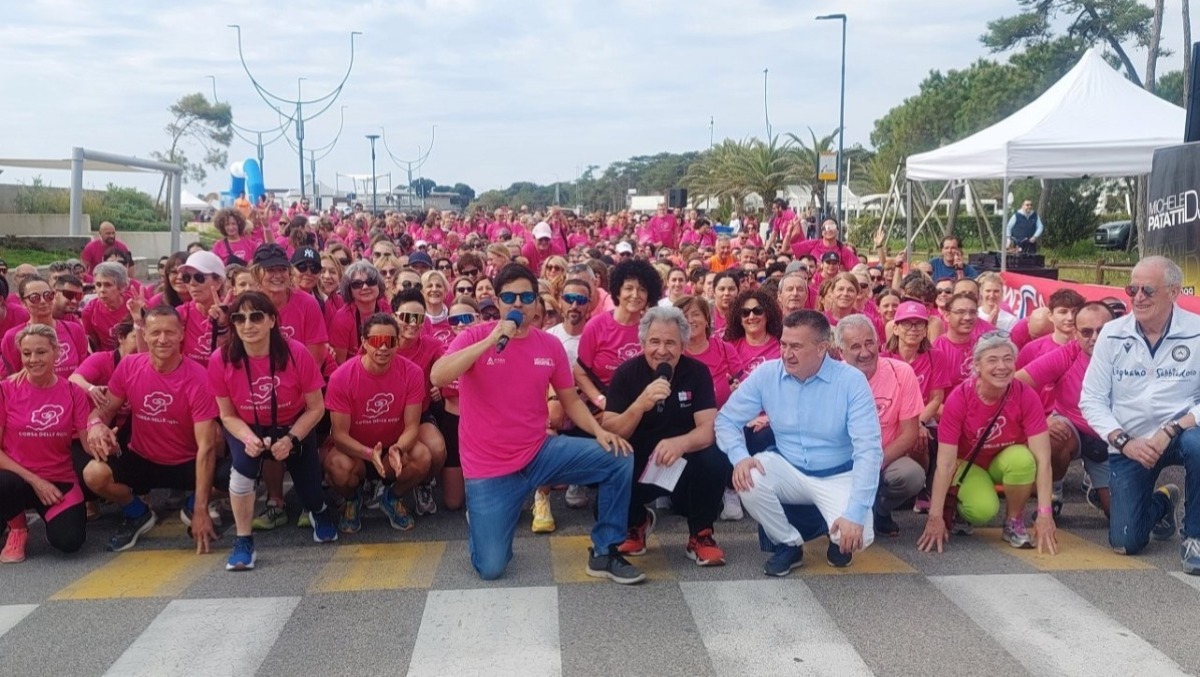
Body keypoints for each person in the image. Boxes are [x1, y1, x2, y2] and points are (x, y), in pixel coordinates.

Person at [431, 263, 644, 584]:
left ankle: (606, 550)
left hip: (539, 452)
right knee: (491, 568)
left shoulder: (549, 345)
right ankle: (482, 521)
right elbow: (438, 375)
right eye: (510, 297)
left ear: (536, 303)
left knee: (619, 457)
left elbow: (570, 400)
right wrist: (489, 341)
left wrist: (599, 432)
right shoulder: (477, 336)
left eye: (526, 296)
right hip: (490, 468)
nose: (518, 303)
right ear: (499, 301)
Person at [716, 310, 883, 575]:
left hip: (838, 473)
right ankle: (788, 543)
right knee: (749, 478)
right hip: (789, 468)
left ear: (821, 348)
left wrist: (855, 511)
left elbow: (869, 450)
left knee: (856, 539)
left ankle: (834, 533)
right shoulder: (767, 374)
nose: (786, 353)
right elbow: (726, 420)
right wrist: (739, 456)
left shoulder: (851, 381)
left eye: (796, 346)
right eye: (783, 344)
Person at [1080, 256, 1200, 574]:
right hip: (1130, 442)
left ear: (1174, 292)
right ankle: (1163, 503)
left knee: (1199, 443)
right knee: (1126, 542)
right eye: (1132, 288)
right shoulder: (1112, 333)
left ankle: (1196, 535)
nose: (1138, 297)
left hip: (1182, 434)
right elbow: (1091, 399)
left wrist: (1173, 428)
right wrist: (1124, 441)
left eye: (1148, 289)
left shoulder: (1197, 330)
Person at [83, 305, 227, 554]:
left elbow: (206, 447)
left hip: (186, 461)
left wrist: (202, 509)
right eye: (156, 332)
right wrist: (95, 425)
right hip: (142, 458)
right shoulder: (129, 366)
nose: (162, 339)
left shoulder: (198, 376)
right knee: (93, 474)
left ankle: (192, 504)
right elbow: (105, 411)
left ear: (182, 334)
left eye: (170, 332)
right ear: (145, 334)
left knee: (236, 474)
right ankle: (137, 513)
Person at [208, 292, 336, 570]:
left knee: (312, 493)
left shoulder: (296, 352)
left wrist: (291, 439)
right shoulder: (221, 358)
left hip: (293, 423)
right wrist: (247, 438)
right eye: (238, 318)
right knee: (240, 472)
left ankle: (319, 511)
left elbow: (316, 408)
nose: (247, 324)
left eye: (255, 317)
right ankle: (243, 541)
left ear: (272, 321)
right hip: (246, 425)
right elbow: (226, 414)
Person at [602, 306, 728, 566]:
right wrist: (639, 405)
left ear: (683, 345)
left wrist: (681, 443)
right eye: (655, 342)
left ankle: (701, 535)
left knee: (715, 456)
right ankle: (636, 522)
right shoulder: (626, 374)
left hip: (681, 460)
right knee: (613, 459)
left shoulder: (697, 372)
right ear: (642, 343)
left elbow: (708, 428)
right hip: (638, 459)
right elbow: (611, 431)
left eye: (670, 342)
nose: (662, 350)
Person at [917, 332, 1058, 554]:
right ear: (977, 365)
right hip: (967, 463)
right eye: (992, 360)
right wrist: (934, 517)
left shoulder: (1026, 395)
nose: (1001, 366)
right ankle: (961, 510)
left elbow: (1044, 460)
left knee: (1024, 460)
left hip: (1003, 460)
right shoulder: (959, 398)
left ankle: (1014, 521)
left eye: (1008, 359)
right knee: (983, 510)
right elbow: (944, 464)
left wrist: (1045, 514)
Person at [325, 314, 434, 533]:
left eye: (390, 341)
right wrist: (367, 453)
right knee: (336, 466)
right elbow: (339, 435)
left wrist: (398, 448)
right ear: (364, 342)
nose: (383, 347)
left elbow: (412, 426)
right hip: (356, 451)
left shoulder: (412, 372)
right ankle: (352, 500)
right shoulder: (341, 377)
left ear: (397, 342)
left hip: (391, 448)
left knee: (422, 456)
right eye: (376, 341)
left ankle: (392, 498)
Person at [0, 325, 92, 563]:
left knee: (70, 542)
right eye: (26, 353)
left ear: (56, 352)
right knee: (4, 482)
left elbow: (86, 442)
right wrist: (35, 481)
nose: (33, 359)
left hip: (58, 479)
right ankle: (18, 528)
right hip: (15, 479)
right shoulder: (5, 390)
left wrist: (103, 435)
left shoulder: (73, 392)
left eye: (41, 352)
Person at [1017, 301, 1115, 517]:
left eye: (1103, 330)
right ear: (1075, 333)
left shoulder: (1132, 355)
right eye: (1087, 332)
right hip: (1074, 428)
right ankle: (1053, 493)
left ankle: (1161, 497)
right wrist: (1040, 421)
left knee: (1124, 526)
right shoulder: (1067, 354)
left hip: (1113, 438)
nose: (1095, 338)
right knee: (1052, 437)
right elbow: (1016, 384)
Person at [835, 315, 925, 537]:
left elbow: (909, 433)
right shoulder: (831, 378)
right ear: (841, 352)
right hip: (843, 461)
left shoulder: (901, 372)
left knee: (912, 474)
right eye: (855, 346)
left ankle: (880, 510)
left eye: (869, 343)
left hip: (885, 457)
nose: (865, 352)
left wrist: (873, 463)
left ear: (879, 344)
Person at [574, 259, 661, 414]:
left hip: (643, 409)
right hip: (603, 409)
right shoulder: (596, 326)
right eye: (628, 288)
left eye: (642, 289)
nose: (635, 295)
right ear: (618, 292)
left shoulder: (653, 328)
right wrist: (602, 402)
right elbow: (580, 373)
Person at [2, 277, 90, 379]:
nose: (43, 301)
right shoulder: (13, 337)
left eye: (48, 295)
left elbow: (85, 369)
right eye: (35, 298)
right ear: (23, 303)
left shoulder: (74, 330)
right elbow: (10, 380)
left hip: (71, 392)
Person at [82, 262, 134, 353]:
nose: (102, 290)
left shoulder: (134, 305)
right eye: (98, 285)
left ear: (122, 287)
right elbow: (93, 342)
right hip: (108, 357)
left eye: (108, 285)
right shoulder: (89, 311)